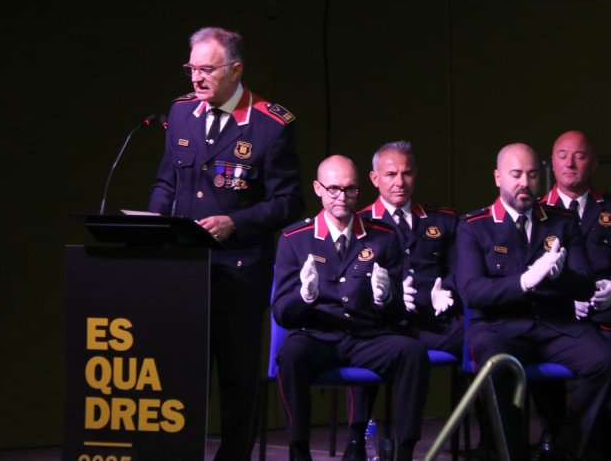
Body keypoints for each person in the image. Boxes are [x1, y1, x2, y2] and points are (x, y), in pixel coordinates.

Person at [147, 27, 303, 461]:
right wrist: (155, 220)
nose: (196, 78)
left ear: (235, 71)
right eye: (191, 68)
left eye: (207, 69)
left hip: (239, 272)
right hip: (186, 270)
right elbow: (166, 180)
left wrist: (236, 222)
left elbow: (289, 202)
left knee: (237, 381)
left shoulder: (270, 125)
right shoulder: (181, 112)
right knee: (182, 375)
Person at [457, 143, 611, 460]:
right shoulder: (474, 226)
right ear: (498, 178)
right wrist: (525, 281)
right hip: (500, 327)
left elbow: (586, 285)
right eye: (516, 174)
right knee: (496, 365)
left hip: (555, 326)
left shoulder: (562, 221)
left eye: (532, 175)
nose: (525, 183)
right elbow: (472, 292)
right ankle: (510, 455)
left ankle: (565, 449)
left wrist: (560, 276)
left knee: (606, 362)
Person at [272, 155, 431, 461]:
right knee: (291, 355)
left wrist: (387, 298)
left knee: (412, 352)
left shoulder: (383, 237)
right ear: (318, 188)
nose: (341, 197)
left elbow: (399, 314)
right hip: (317, 336)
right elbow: (281, 312)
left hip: (365, 338)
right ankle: (298, 450)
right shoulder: (295, 239)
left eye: (350, 189)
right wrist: (304, 296)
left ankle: (405, 451)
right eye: (333, 189)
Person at [344, 141, 461, 456]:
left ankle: (488, 431)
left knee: (478, 339)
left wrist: (447, 289)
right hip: (382, 324)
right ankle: (356, 437)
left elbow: (460, 268)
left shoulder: (443, 220)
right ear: (374, 178)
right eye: (391, 174)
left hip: (429, 322)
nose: (400, 182)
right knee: (357, 336)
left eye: (406, 173)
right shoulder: (359, 223)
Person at [543, 130, 611, 455]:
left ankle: (604, 431)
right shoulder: (536, 212)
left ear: (593, 164)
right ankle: (558, 431)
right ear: (552, 163)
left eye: (579, 156)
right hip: (559, 316)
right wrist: (565, 298)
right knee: (536, 344)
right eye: (562, 156)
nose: (570, 163)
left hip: (608, 313)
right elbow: (527, 270)